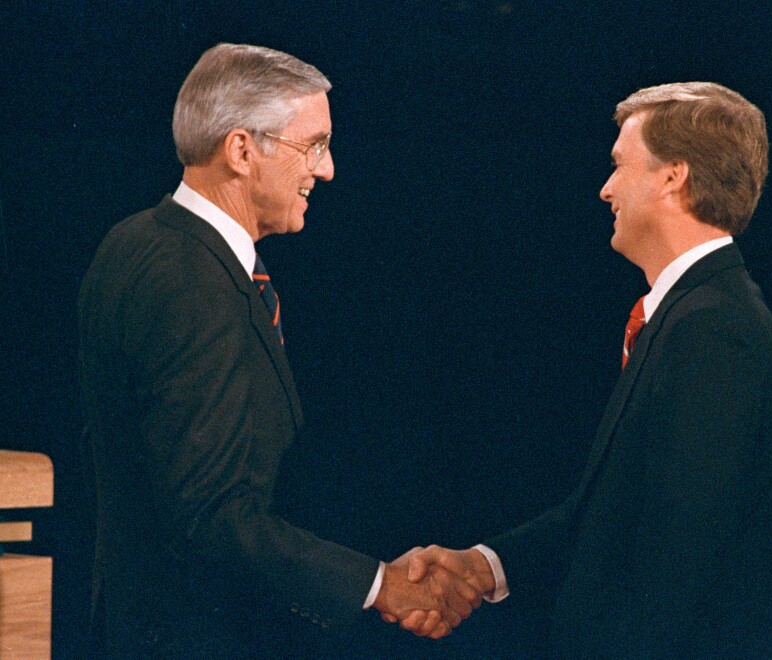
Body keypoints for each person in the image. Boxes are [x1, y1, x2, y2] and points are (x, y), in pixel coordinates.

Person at [77, 43, 477, 658]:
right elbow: (211, 514)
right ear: (241, 150)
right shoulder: (192, 281)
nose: (328, 168)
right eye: (312, 145)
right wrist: (378, 586)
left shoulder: (137, 242)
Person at [405, 82, 772, 657]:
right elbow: (614, 515)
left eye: (618, 165)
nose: (606, 188)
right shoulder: (688, 316)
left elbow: (677, 561)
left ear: (671, 176)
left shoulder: (716, 329)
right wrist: (482, 568)